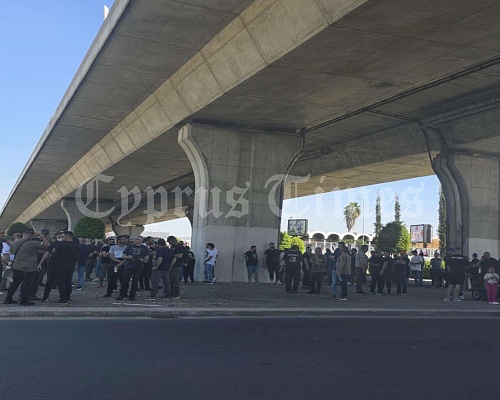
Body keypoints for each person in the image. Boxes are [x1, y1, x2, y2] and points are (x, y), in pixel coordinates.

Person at [3, 229, 50, 306]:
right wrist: (41, 235)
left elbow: (12, 252)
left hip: (17, 265)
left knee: (14, 283)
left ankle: (8, 298)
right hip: (29, 267)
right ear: (31, 235)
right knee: (26, 283)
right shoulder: (33, 243)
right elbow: (47, 245)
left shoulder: (15, 243)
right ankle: (23, 300)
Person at [116, 236, 149, 301]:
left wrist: (143, 259)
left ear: (140, 241)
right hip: (129, 266)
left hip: (138, 266)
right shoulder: (130, 247)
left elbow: (147, 257)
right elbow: (123, 255)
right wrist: (128, 257)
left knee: (135, 281)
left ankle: (132, 295)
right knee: (125, 280)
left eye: (137, 239)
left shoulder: (144, 248)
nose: (135, 240)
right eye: (135, 239)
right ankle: (122, 294)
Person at [52, 231, 80, 304]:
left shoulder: (62, 244)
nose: (62, 238)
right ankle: (68, 297)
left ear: (66, 236)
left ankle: (63, 298)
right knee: (68, 281)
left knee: (61, 282)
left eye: (63, 236)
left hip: (61, 265)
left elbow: (54, 251)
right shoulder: (76, 245)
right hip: (71, 265)